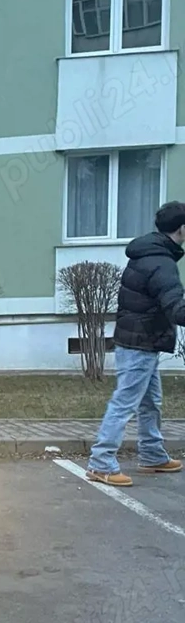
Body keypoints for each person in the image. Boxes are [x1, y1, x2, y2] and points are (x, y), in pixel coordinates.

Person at [86, 201, 185, 487]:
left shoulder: (147, 252)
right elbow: (177, 310)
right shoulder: (162, 263)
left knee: (150, 402)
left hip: (141, 340)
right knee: (124, 403)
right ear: (181, 229)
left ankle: (153, 454)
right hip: (141, 343)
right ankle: (101, 462)